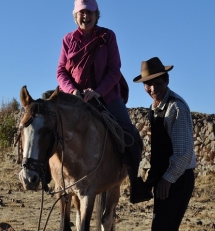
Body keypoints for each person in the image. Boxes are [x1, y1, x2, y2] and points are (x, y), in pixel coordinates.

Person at [56, 0, 152, 204]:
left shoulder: (108, 36)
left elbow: (114, 69)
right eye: (81, 12)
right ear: (75, 16)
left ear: (96, 15)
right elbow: (61, 71)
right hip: (76, 100)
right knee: (48, 128)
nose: (86, 16)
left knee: (131, 136)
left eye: (90, 12)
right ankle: (52, 181)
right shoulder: (68, 40)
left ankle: (136, 185)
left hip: (107, 98)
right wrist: (72, 90)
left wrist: (98, 92)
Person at [133, 57, 197, 230]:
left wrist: (167, 180)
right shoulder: (155, 108)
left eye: (157, 83)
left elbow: (184, 153)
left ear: (167, 80)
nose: (152, 89)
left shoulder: (176, 108)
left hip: (177, 179)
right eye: (148, 84)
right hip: (166, 178)